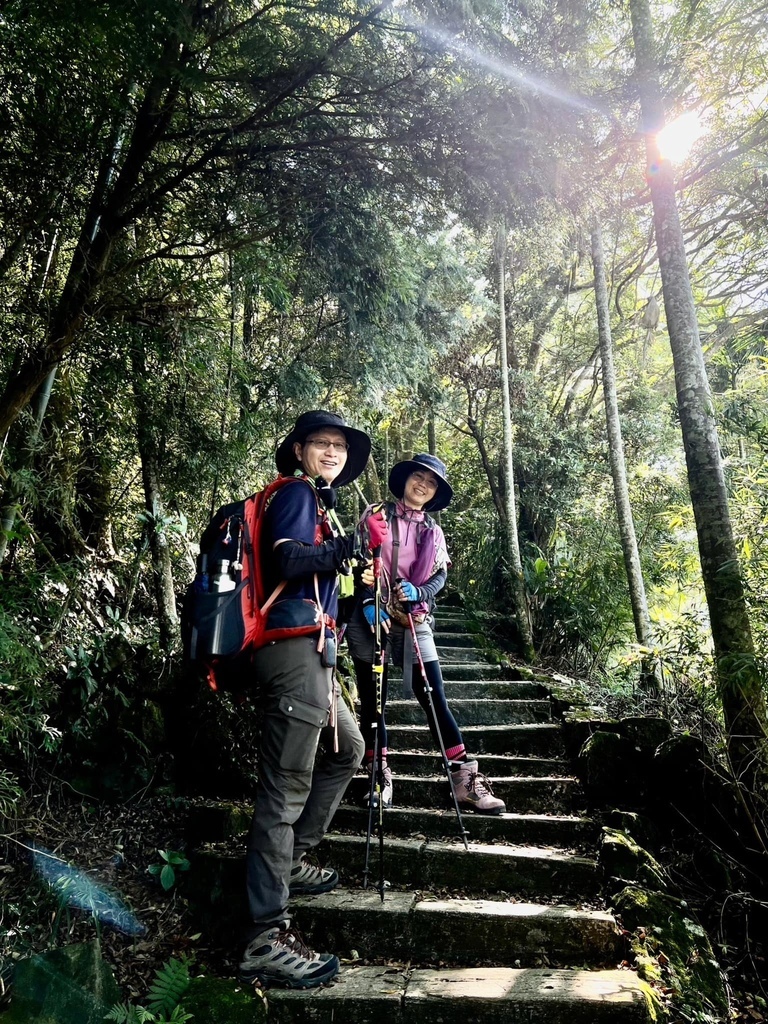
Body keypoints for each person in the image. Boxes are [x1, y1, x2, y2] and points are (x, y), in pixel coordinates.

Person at [238, 410, 388, 989]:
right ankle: (263, 937)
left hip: (317, 654)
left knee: (348, 748)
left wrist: (356, 574)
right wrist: (347, 546)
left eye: (340, 446)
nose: (332, 452)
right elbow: (287, 560)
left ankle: (293, 858)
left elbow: (326, 585)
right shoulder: (297, 493)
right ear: (300, 449)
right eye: (322, 443)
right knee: (285, 787)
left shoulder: (319, 506)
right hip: (292, 652)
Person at [346, 453, 506, 816]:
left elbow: (440, 574)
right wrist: (367, 600)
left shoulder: (432, 530)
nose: (423, 485)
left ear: (435, 493)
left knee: (433, 694)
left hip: (413, 618)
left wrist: (421, 593)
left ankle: (464, 779)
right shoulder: (376, 514)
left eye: (431, 482)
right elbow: (355, 559)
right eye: (418, 477)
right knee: (374, 699)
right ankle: (377, 775)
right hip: (371, 618)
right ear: (405, 479)